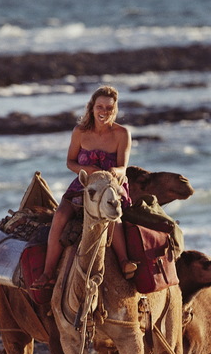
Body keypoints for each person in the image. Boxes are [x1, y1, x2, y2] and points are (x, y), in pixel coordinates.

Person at [33, 85, 136, 289]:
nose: (103, 112)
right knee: (61, 214)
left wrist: (115, 172)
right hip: (86, 183)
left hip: (110, 183)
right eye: (100, 107)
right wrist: (85, 169)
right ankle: (48, 272)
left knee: (112, 212)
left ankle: (124, 261)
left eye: (108, 108)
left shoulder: (122, 133)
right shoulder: (80, 132)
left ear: (114, 110)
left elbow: (124, 167)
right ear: (92, 108)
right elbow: (70, 162)